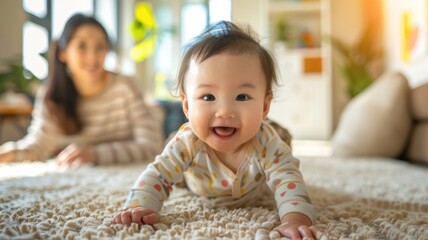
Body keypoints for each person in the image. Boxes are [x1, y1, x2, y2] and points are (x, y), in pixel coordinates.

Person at [112, 21, 318, 239]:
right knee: (174, 157)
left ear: (265, 106)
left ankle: (273, 128)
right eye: (208, 97)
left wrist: (294, 220)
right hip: (196, 176)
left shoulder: (266, 142)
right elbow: (158, 174)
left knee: (282, 143)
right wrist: (139, 206)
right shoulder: (188, 142)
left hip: (260, 165)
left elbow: (288, 179)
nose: (225, 111)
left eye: (242, 97)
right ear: (187, 106)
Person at [0, 13, 163, 168]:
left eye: (100, 46)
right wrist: (8, 153)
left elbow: (151, 146)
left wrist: (95, 154)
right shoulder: (52, 94)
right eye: (81, 46)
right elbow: (37, 147)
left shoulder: (125, 86)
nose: (92, 57)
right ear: (63, 53)